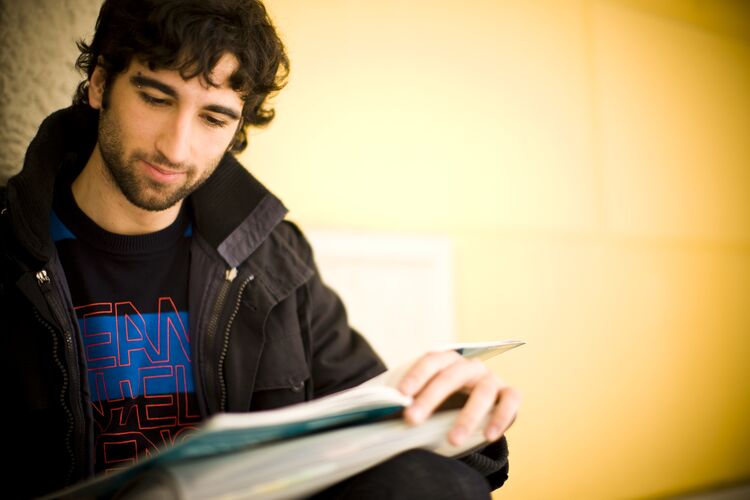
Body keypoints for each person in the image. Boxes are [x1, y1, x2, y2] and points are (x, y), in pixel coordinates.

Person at [0, 0, 520, 498]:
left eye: (214, 118)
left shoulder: (272, 255)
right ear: (99, 83)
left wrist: (460, 413)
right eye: (156, 98)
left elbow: (377, 426)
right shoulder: (9, 248)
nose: (176, 147)